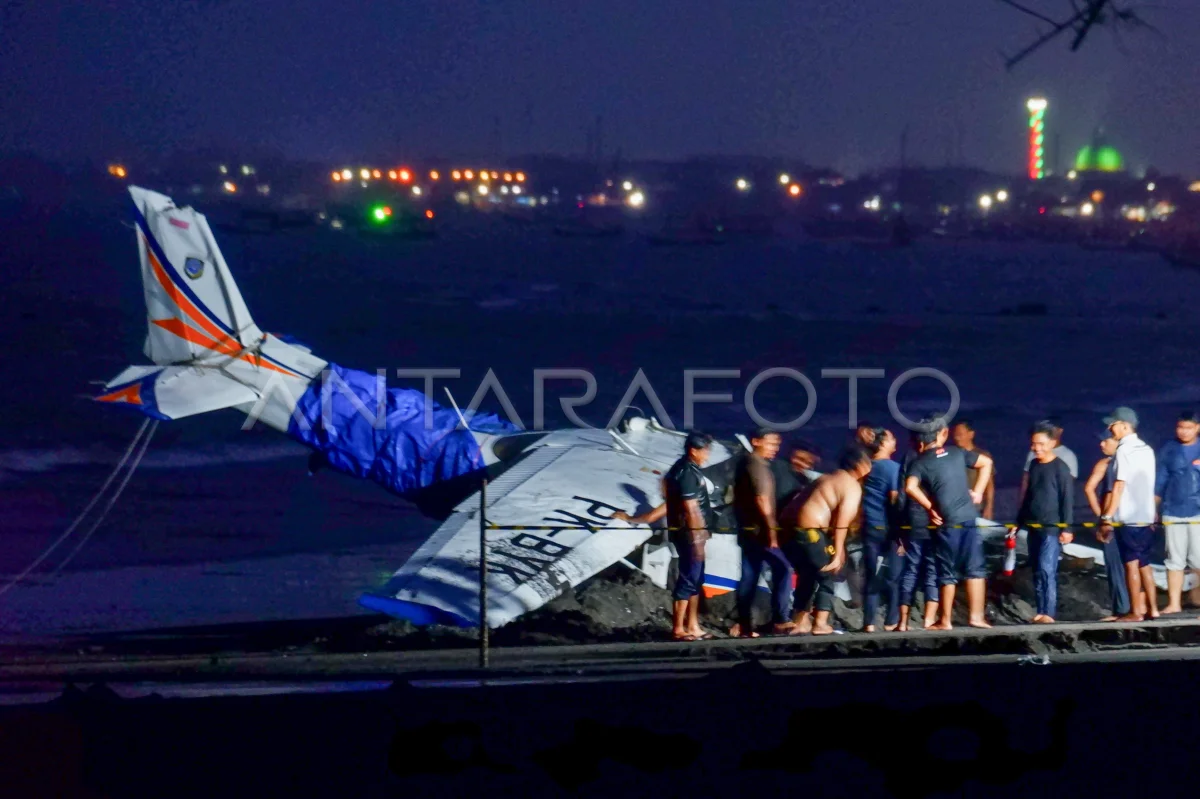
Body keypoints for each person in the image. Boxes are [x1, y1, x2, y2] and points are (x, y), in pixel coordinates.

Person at [905, 417, 995, 630]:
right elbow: (986, 463)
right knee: (975, 568)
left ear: (919, 442)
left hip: (947, 521)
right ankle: (976, 617)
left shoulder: (920, 462)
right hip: (969, 517)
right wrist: (978, 492)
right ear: (939, 436)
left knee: (947, 571)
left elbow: (910, 487)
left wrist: (930, 507)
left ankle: (945, 620)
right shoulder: (956, 452)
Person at [780, 446, 872, 635]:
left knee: (807, 574)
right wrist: (838, 553)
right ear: (861, 465)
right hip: (811, 531)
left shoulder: (825, 478)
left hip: (789, 532)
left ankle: (800, 620)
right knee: (829, 572)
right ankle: (820, 623)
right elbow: (842, 523)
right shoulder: (851, 486)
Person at [1098, 407, 1158, 622]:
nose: (1110, 429)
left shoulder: (1124, 451)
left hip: (1128, 516)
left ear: (1124, 425)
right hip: (1146, 514)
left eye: (1112, 425)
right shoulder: (1147, 449)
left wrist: (1106, 517)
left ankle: (1135, 611)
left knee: (1130, 563)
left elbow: (1119, 485)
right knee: (1144, 563)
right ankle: (1153, 608)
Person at [732, 428, 793, 637]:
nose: (775, 448)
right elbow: (762, 500)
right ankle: (780, 620)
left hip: (750, 531)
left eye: (777, 444)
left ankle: (745, 625)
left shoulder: (752, 464)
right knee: (783, 568)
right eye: (770, 443)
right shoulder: (755, 465)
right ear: (756, 441)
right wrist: (772, 531)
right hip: (760, 532)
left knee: (750, 576)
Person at [1015, 421, 1075, 623]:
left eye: (1040, 444)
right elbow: (1028, 496)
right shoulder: (1033, 465)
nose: (1036, 448)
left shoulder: (1061, 468)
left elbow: (1067, 499)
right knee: (1036, 568)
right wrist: (1018, 522)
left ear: (1052, 443)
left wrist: (1067, 528)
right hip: (1033, 526)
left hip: (1052, 527)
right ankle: (1041, 610)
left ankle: (1049, 612)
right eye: (1033, 444)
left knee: (1046, 568)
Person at [662, 431, 717, 641]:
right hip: (690, 535)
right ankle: (678, 628)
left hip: (695, 534)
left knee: (696, 579)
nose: (708, 455)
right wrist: (697, 538)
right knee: (687, 579)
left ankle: (693, 625)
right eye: (705, 451)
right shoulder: (686, 472)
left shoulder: (690, 469)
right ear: (694, 450)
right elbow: (690, 508)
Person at [1155, 410, 1200, 614]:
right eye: (1180, 427)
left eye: (1188, 428)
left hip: (1198, 513)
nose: (1183, 431)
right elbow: (1160, 482)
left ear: (1197, 428)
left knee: (1199, 558)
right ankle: (1174, 604)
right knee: (1174, 559)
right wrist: (1153, 508)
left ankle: (1197, 598)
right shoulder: (1169, 449)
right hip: (1172, 511)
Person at [1083, 430, 1131, 619]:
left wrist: (1103, 517)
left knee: (1118, 566)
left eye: (1105, 441)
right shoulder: (1107, 463)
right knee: (1124, 565)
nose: (1101, 444)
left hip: (1115, 522)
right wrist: (1102, 517)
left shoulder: (1110, 464)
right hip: (1123, 521)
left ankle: (1124, 609)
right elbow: (1089, 489)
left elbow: (1093, 490)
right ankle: (1127, 609)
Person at [896, 429, 940, 631]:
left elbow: (902, 494)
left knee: (911, 569)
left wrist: (900, 526)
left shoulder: (909, 458)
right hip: (934, 519)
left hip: (913, 519)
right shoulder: (936, 457)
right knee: (932, 569)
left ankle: (903, 622)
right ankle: (928, 620)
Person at [861, 428, 904, 632]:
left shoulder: (865, 467)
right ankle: (891, 622)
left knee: (871, 575)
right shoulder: (892, 468)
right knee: (894, 576)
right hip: (888, 529)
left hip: (868, 527)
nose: (895, 440)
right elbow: (895, 500)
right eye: (892, 437)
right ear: (883, 443)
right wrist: (901, 532)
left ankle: (869, 622)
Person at [1020, 419, 1078, 501]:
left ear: (1060, 431)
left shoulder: (1067, 456)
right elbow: (1026, 480)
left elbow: (1068, 488)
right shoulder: (1033, 456)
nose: (1037, 448)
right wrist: (1022, 500)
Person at [951, 419, 995, 519]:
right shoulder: (952, 455)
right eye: (955, 435)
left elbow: (990, 485)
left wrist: (989, 507)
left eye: (960, 434)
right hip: (957, 508)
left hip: (976, 507)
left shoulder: (982, 455)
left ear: (971, 434)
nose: (957, 438)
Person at [772, 440, 820, 509]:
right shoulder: (777, 467)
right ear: (791, 455)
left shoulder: (805, 481)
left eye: (809, 463)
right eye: (800, 459)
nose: (802, 464)